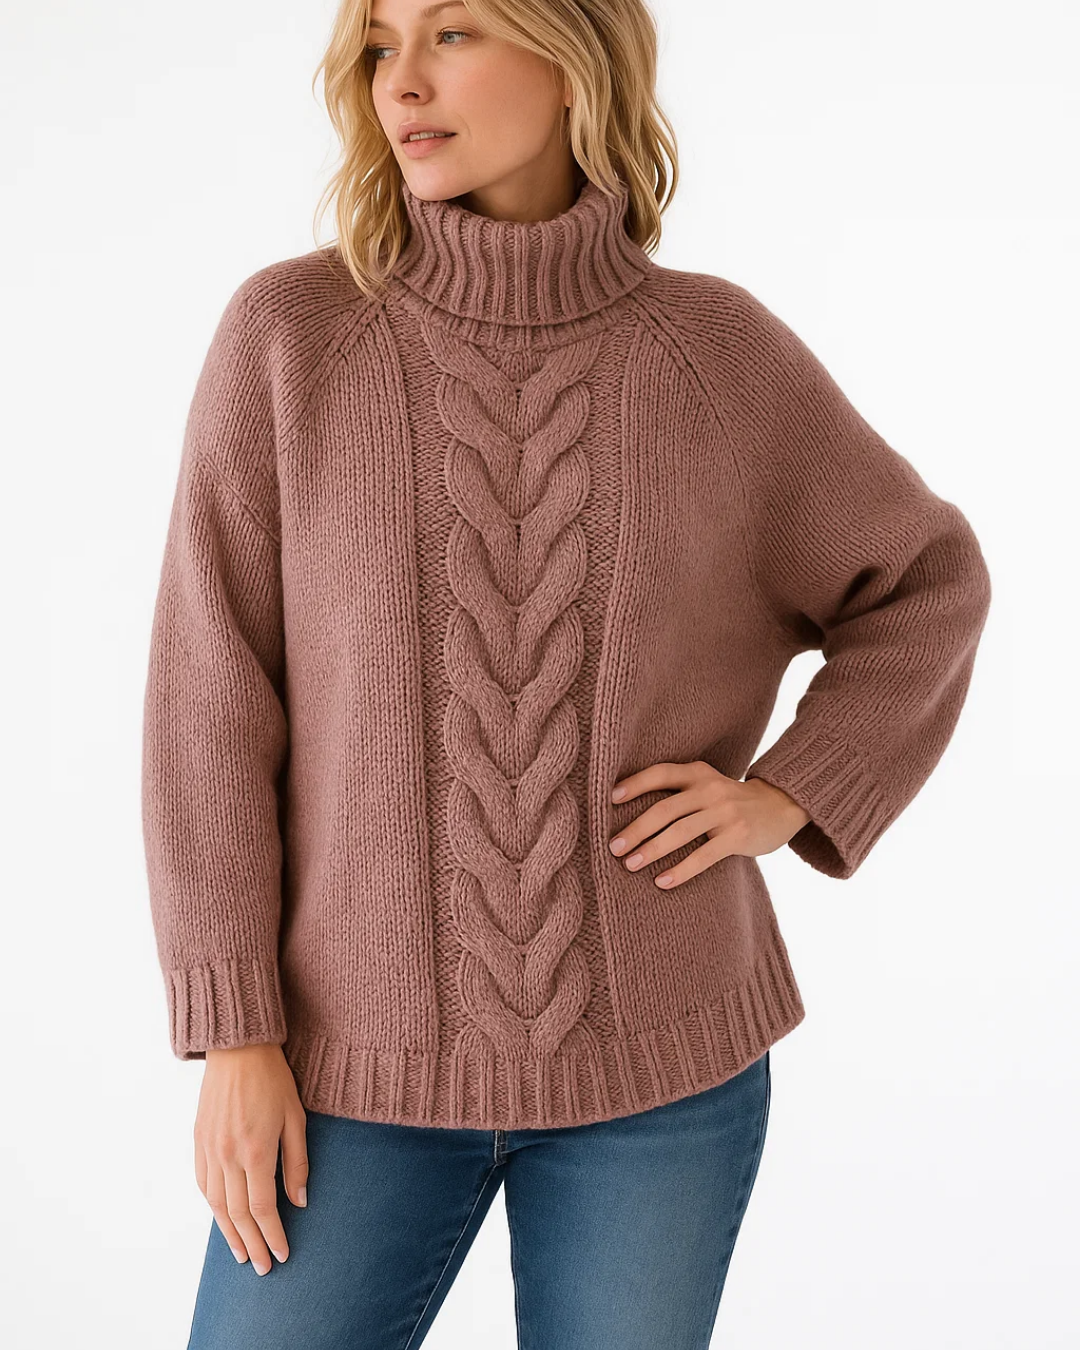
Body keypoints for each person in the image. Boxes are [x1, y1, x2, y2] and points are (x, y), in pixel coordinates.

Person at [139, 0, 993, 1346]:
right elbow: (209, 705)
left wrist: (790, 793)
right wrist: (235, 1033)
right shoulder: (292, 337)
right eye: (380, 45)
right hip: (346, 1072)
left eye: (453, 34)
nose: (402, 83)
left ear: (573, 50)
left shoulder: (719, 357)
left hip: (662, 1074)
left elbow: (927, 583)